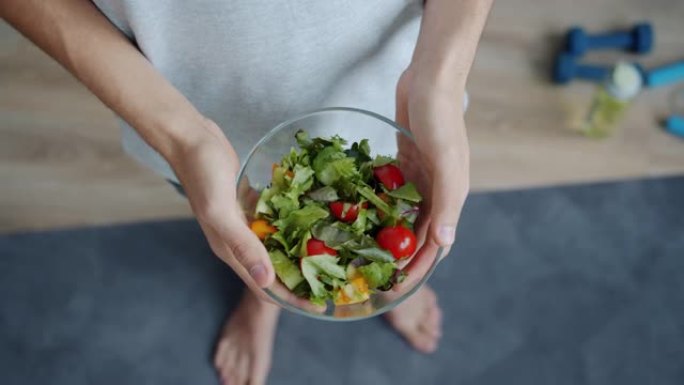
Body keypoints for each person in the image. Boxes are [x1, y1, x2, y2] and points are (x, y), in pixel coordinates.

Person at [2, 0, 492, 383]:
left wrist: (441, 79)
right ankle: (264, 299)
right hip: (182, 104)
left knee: (412, 214)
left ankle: (384, 281)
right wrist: (181, 137)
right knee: (250, 238)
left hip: (397, 82)